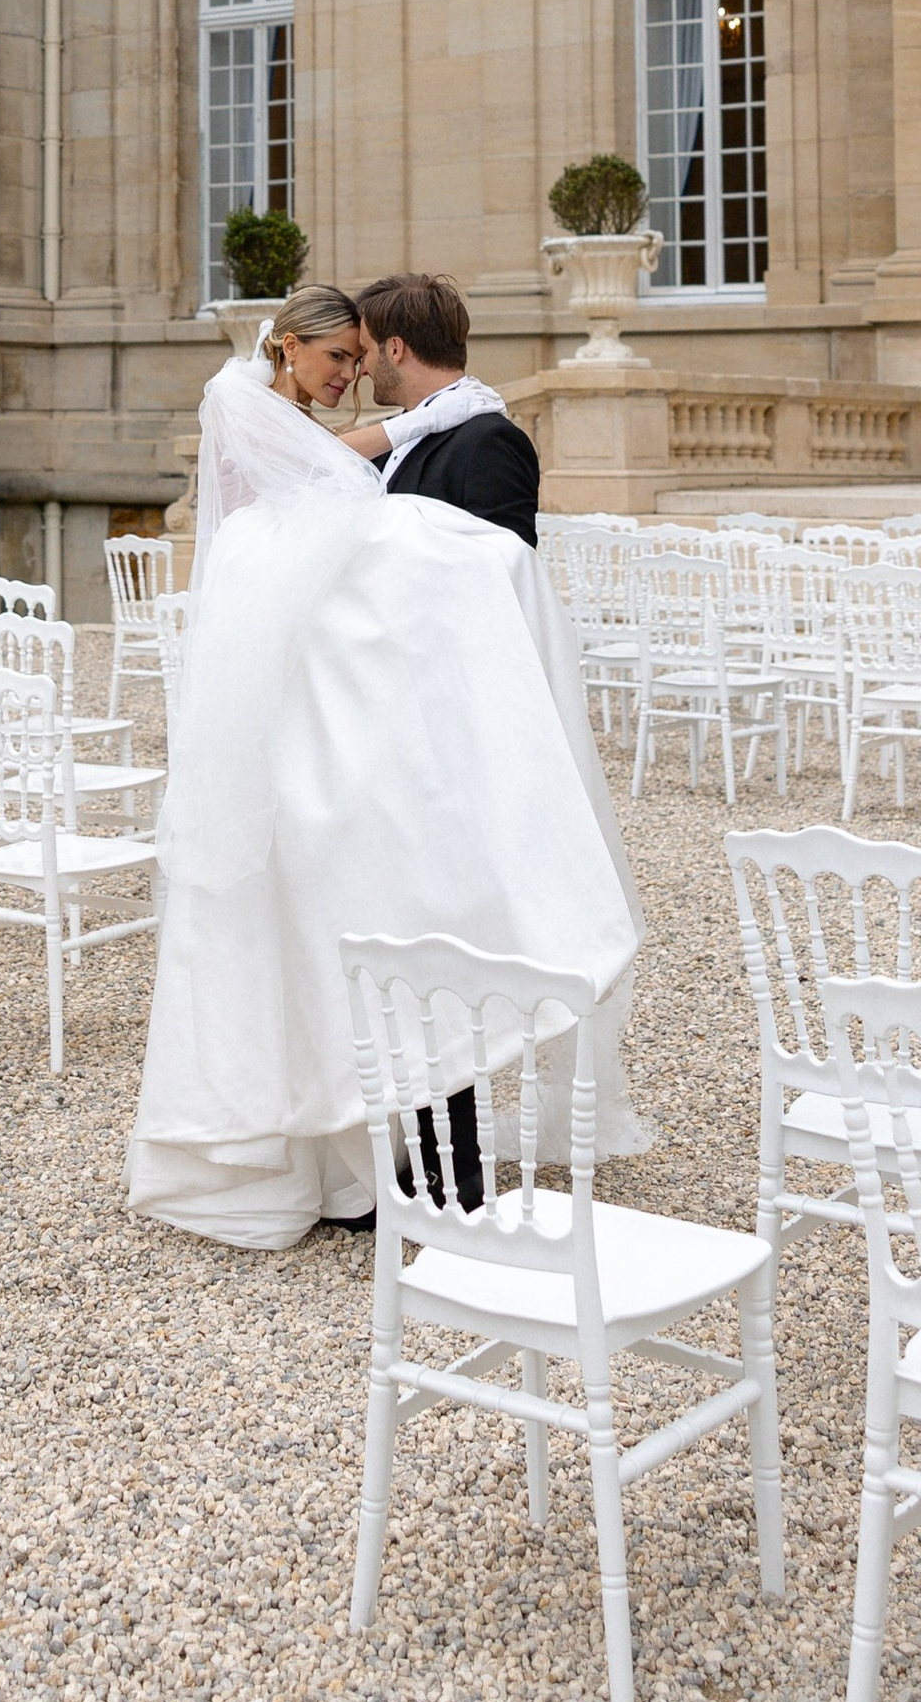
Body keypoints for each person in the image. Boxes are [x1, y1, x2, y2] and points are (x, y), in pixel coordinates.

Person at [125, 284, 642, 1253]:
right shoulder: (271, 422)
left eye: (361, 361)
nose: (350, 378)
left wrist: (438, 421)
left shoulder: (443, 435)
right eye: (336, 362)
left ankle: (370, 1161)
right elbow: (322, 533)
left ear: (393, 348)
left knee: (365, 935)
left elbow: (467, 555)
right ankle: (354, 1160)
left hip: (382, 738)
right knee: (347, 934)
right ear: (287, 349)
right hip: (336, 734)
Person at [339, 271, 540, 546]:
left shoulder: (490, 440)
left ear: (395, 349)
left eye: (366, 351)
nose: (362, 369)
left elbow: (510, 562)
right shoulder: (396, 433)